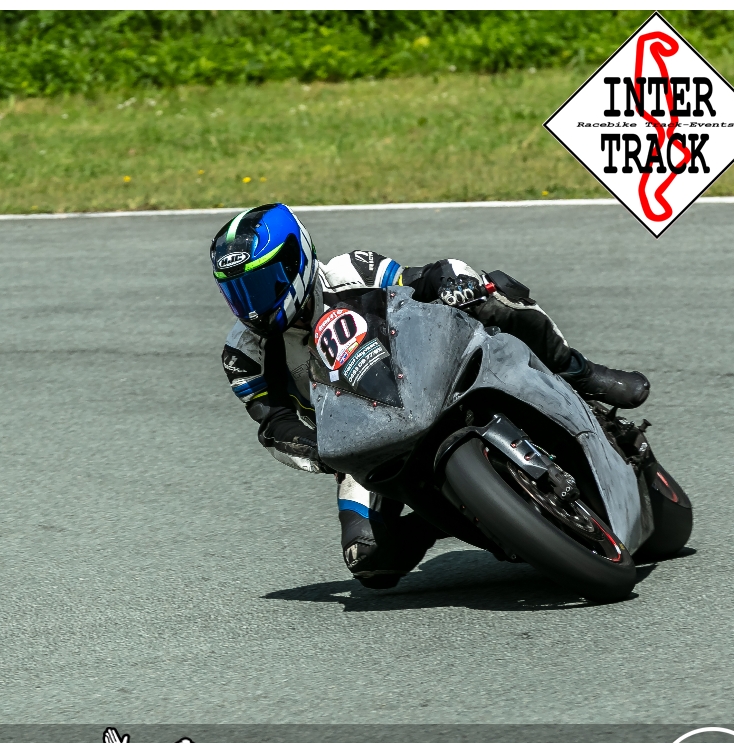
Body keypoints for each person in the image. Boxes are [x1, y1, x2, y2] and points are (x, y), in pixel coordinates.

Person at [211, 203, 651, 589]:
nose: (252, 305)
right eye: (238, 292)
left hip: (422, 375)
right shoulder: (243, 354)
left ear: (296, 260)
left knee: (494, 293)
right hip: (361, 441)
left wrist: (452, 282)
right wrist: (319, 451)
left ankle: (579, 371)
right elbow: (273, 424)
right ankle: (456, 516)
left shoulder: (349, 271)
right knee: (369, 562)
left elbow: (421, 278)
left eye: (262, 284)